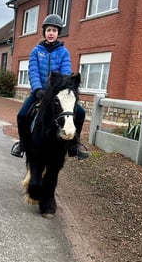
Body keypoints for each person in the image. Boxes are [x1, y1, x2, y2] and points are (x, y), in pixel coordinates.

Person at [11, 14, 89, 160]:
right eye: (48, 30)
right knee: (21, 115)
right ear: (44, 32)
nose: (51, 33)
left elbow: (65, 73)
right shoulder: (36, 51)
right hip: (39, 92)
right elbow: (33, 71)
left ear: (58, 32)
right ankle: (22, 144)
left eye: (54, 30)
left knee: (81, 113)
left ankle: (74, 146)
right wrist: (38, 89)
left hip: (57, 94)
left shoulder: (64, 52)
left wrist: (57, 91)